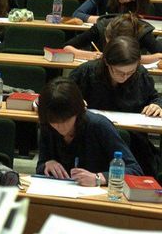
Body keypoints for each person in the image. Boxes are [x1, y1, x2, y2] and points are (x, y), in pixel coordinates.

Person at [69, 36, 162, 177]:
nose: (125, 77)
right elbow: (62, 94)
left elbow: (154, 96)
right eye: (119, 72)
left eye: (130, 72)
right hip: (91, 140)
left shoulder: (140, 74)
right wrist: (74, 100)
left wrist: (157, 105)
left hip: (133, 141)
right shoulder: (86, 72)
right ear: (106, 62)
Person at [36, 77, 143, 186]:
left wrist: (99, 178)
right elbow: (40, 166)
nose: (60, 127)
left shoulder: (99, 125)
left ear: (77, 112)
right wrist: (47, 165)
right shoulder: (47, 125)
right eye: (54, 122)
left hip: (100, 194)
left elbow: (135, 171)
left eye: (66, 120)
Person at [63, 13, 162, 63]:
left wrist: (134, 59)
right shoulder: (100, 28)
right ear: (106, 34)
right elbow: (66, 48)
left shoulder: (142, 32)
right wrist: (91, 55)